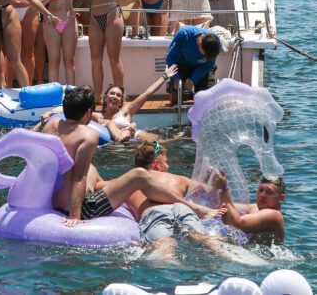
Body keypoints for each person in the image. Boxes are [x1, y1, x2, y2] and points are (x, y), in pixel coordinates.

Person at [40, 87, 217, 226]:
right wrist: (75, 216)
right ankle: (195, 208)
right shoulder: (87, 135)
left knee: (93, 169)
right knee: (139, 174)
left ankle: (134, 186)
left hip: (54, 200)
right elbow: (79, 176)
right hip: (82, 208)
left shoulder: (52, 125)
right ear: (88, 113)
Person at [125, 141, 229, 262]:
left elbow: (101, 187)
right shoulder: (179, 179)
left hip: (154, 212)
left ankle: (170, 268)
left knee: (165, 245)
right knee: (204, 239)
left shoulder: (128, 180)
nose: (168, 166)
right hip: (181, 207)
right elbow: (211, 194)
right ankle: (228, 254)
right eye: (166, 162)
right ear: (157, 164)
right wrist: (209, 181)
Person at [38, 0, 82, 85]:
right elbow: (37, 4)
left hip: (69, 19)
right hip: (52, 21)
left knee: (69, 61)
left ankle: (71, 94)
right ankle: (53, 95)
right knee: (53, 62)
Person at [101, 65, 179, 143]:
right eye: (112, 93)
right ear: (105, 97)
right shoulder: (97, 116)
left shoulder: (125, 111)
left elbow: (147, 93)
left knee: (166, 142)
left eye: (118, 95)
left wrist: (164, 76)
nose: (115, 96)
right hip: (116, 144)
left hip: (137, 138)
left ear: (121, 101)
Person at [210, 170, 285, 242]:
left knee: (207, 239)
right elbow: (221, 205)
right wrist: (213, 185)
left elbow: (238, 223)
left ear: (281, 198)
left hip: (257, 254)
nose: (262, 195)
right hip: (247, 247)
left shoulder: (275, 215)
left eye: (269, 192)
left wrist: (223, 188)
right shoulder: (254, 207)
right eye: (261, 190)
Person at [165, 26, 222, 104]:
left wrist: (193, 79)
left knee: (207, 100)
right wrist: (176, 78)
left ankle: (193, 92)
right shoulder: (183, 35)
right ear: (199, 42)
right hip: (182, 65)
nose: (204, 57)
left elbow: (209, 64)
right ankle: (180, 90)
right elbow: (170, 57)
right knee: (175, 100)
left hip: (203, 68)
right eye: (204, 54)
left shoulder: (216, 44)